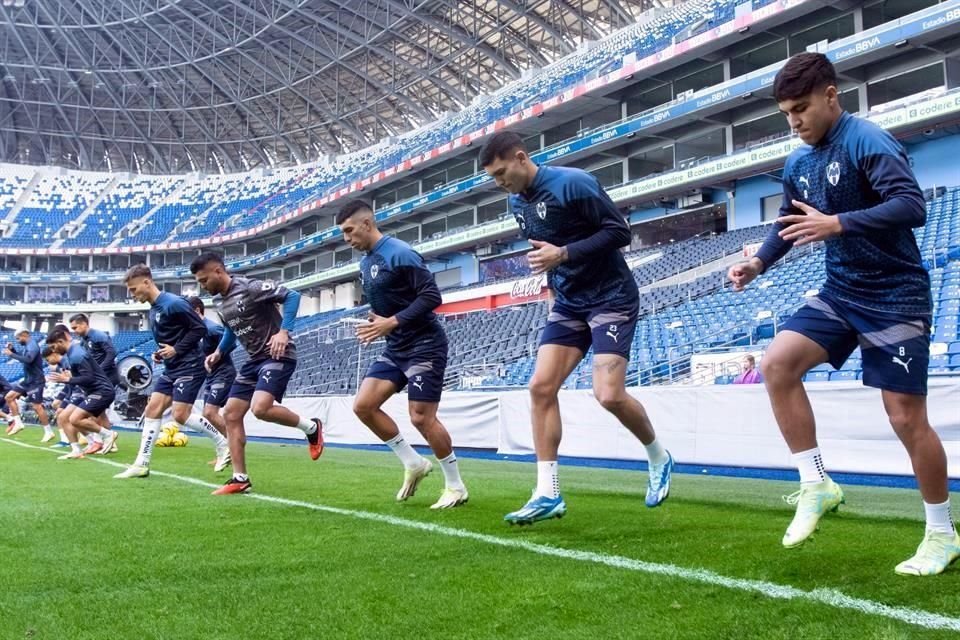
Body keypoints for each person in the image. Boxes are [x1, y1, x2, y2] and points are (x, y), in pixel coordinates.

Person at [727, 52, 957, 576]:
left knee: (905, 418)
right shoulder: (797, 162)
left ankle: (942, 534)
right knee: (777, 363)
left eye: (802, 108)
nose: (795, 121)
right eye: (787, 112)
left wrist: (839, 225)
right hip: (841, 291)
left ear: (832, 96)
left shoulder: (867, 140)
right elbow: (787, 222)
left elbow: (912, 206)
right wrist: (758, 263)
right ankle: (816, 483)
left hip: (895, 296)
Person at [480, 131, 674, 526]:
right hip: (568, 303)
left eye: (502, 173)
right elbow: (544, 250)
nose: (500, 182)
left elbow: (620, 232)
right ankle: (547, 492)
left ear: (520, 158)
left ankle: (659, 455)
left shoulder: (573, 183)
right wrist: (554, 282)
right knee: (539, 387)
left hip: (611, 298)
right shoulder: (516, 202)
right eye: (494, 178)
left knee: (608, 395)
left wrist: (564, 253)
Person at [336, 200, 468, 509]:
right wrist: (377, 320)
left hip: (424, 345)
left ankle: (456, 485)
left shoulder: (400, 253)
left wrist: (391, 322)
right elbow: (392, 302)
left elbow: (432, 296)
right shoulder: (367, 262)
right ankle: (413, 463)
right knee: (364, 406)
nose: (346, 239)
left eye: (349, 231)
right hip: (396, 347)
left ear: (367, 224)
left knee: (421, 417)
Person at [189, 253, 324, 495]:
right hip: (254, 360)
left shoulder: (249, 287)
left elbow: (292, 296)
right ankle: (240, 478)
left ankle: (311, 428)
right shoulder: (221, 304)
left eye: (204, 280)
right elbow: (231, 331)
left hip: (277, 354)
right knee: (230, 414)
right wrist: (219, 352)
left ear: (218, 271)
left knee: (260, 408)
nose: (203, 285)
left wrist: (284, 332)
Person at [114, 265, 231, 479]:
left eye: (133, 289)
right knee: (152, 410)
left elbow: (200, 329)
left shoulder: (174, 303)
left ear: (146, 282)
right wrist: (161, 353)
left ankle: (223, 444)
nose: (131, 294)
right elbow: (172, 338)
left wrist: (177, 349)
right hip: (172, 367)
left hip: (190, 365)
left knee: (181, 415)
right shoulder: (154, 308)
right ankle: (142, 463)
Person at [42, 328, 119, 460]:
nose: (53, 350)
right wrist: (69, 378)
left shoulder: (76, 354)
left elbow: (88, 378)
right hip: (93, 391)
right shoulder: (72, 353)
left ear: (61, 341)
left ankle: (106, 436)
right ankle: (79, 449)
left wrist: (68, 379)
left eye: (53, 346)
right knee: (68, 418)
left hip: (101, 391)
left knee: (74, 418)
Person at [188, 296, 236, 461]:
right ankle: (226, 449)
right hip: (211, 376)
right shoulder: (196, 331)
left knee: (210, 412)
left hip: (223, 372)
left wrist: (218, 355)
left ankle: (232, 448)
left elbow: (232, 342)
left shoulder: (212, 328)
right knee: (208, 414)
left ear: (196, 311)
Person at [69, 313, 120, 453]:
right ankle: (109, 442)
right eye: (72, 328)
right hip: (99, 379)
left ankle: (102, 440)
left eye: (75, 327)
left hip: (107, 378)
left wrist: (100, 371)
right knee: (99, 413)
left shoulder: (99, 335)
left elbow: (111, 353)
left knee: (94, 411)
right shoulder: (82, 341)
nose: (74, 330)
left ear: (84, 324)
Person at [4, 329, 54, 442]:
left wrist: (11, 354)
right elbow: (23, 358)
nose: (18, 340)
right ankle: (18, 423)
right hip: (28, 380)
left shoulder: (33, 345)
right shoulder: (27, 345)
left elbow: (29, 360)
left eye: (18, 338)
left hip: (36, 381)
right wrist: (13, 350)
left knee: (37, 406)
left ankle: (48, 431)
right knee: (9, 397)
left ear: (24, 335)